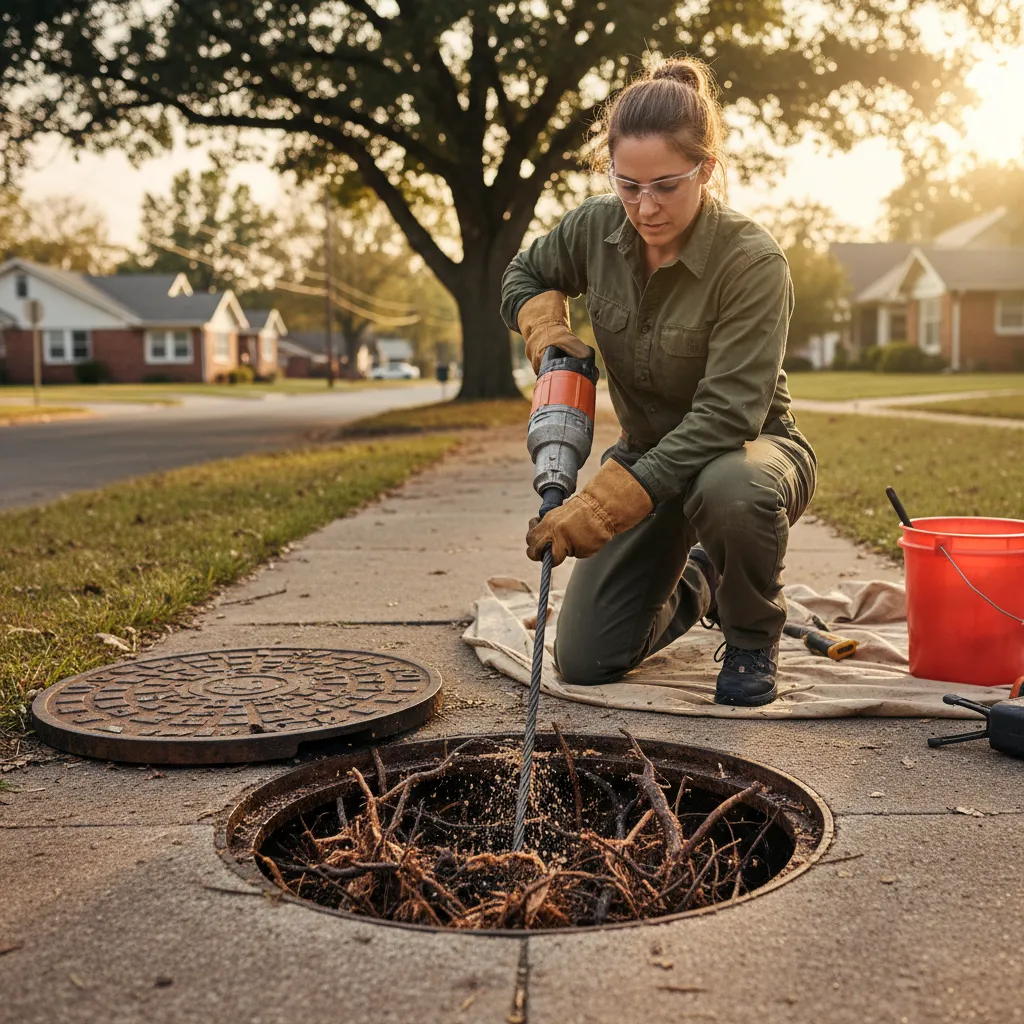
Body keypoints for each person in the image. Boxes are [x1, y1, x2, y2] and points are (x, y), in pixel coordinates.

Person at [500, 58, 817, 708]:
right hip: (647, 458)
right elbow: (523, 275)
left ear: (704, 168)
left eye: (666, 186)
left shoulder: (751, 260)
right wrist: (544, 331)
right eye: (628, 184)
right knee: (584, 661)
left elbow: (729, 416)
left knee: (729, 489)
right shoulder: (594, 227)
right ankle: (702, 582)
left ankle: (752, 634)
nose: (645, 206)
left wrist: (600, 506)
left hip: (748, 452)